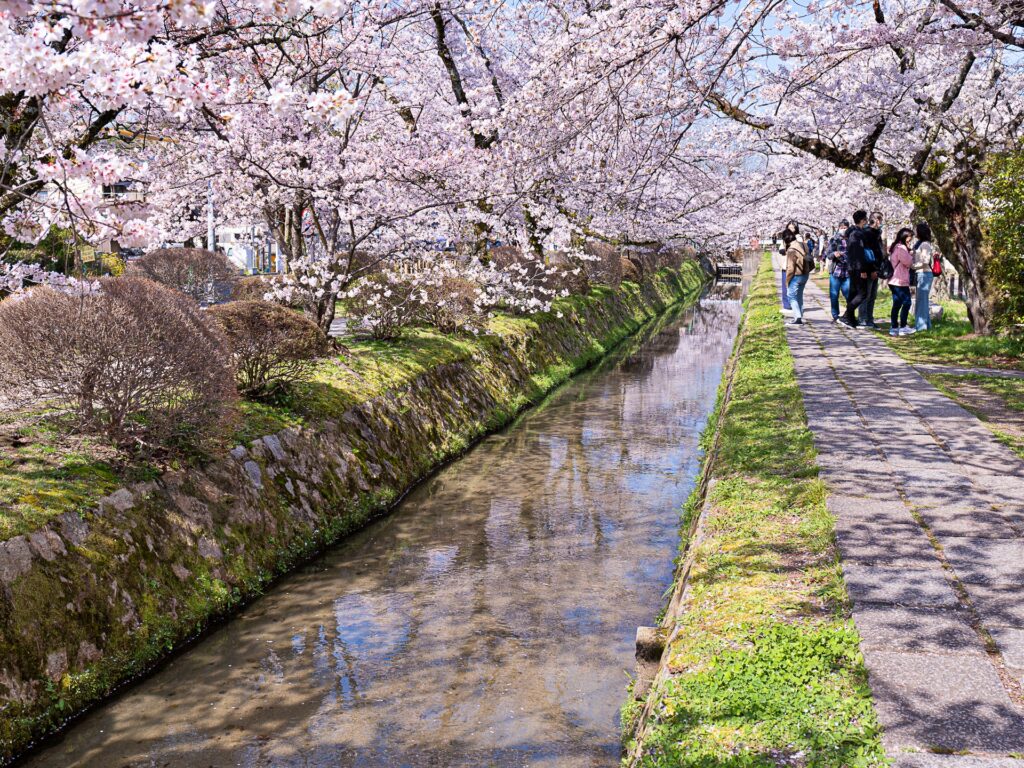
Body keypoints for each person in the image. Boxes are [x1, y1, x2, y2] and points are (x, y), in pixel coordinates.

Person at [842, 210, 875, 329]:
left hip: (853, 267)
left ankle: (849, 318)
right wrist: (862, 270)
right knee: (862, 293)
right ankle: (847, 316)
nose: (867, 221)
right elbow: (858, 253)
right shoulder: (856, 234)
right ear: (862, 220)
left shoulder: (854, 232)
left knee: (854, 293)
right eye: (865, 219)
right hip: (857, 268)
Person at [858, 211, 884, 329]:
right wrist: (871, 269)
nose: (881, 223)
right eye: (881, 220)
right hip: (868, 269)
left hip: (875, 269)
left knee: (872, 296)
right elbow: (867, 254)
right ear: (877, 220)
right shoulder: (868, 233)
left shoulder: (876, 233)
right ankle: (863, 319)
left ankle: (869, 319)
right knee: (866, 295)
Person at [887, 227, 915, 336]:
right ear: (904, 236)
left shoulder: (895, 246)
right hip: (900, 280)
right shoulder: (902, 247)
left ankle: (894, 327)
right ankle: (903, 326)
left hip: (893, 280)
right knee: (907, 302)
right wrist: (911, 254)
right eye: (909, 237)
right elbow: (908, 262)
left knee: (897, 304)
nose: (910, 239)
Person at [912, 221, 938, 332]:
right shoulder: (919, 243)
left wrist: (913, 266)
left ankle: (921, 327)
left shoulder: (925, 244)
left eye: (916, 230)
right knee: (921, 301)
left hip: (924, 273)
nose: (914, 232)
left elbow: (925, 261)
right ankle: (925, 326)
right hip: (920, 273)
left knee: (921, 301)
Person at [785, 230, 811, 325]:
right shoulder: (804, 244)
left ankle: (797, 317)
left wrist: (787, 281)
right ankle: (799, 316)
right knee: (799, 296)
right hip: (805, 274)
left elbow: (791, 268)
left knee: (791, 296)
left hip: (797, 275)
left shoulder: (791, 249)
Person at [825, 220, 850, 321]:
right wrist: (834, 254)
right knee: (834, 294)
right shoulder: (834, 239)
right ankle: (835, 315)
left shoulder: (851, 239)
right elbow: (828, 254)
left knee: (848, 294)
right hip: (836, 271)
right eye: (842, 227)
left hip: (848, 271)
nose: (843, 229)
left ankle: (849, 314)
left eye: (845, 227)